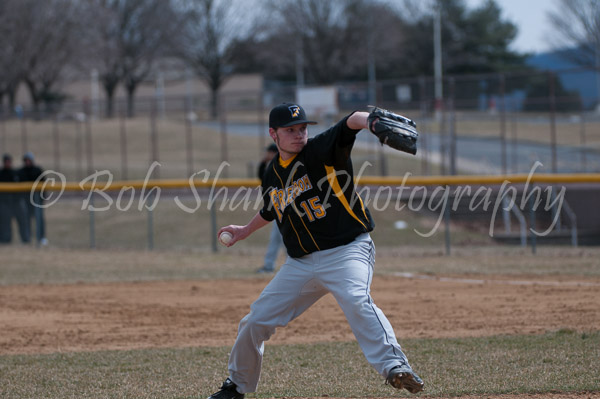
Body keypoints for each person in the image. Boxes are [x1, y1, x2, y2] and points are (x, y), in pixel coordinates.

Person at [210, 103, 424, 399]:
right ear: (274, 134)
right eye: (290, 130)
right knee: (254, 321)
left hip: (347, 251)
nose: (299, 135)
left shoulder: (321, 150)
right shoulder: (272, 172)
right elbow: (272, 209)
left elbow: (351, 121)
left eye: (302, 128)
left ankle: (396, 367)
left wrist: (372, 122)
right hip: (300, 265)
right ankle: (236, 386)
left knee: (356, 299)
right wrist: (244, 230)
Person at [256, 143, 284, 273]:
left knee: (285, 240)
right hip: (277, 211)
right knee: (275, 239)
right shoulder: (272, 168)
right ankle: (269, 265)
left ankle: (295, 264)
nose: (267, 155)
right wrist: (263, 162)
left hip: (287, 211)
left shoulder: (281, 166)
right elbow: (261, 177)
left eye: (269, 152)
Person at [17, 151, 48, 246]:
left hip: (37, 200)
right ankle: (27, 238)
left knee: (39, 219)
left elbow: (44, 184)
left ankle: (41, 237)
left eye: (28, 160)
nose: (27, 162)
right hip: (25, 200)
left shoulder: (37, 170)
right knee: (25, 219)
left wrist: (43, 197)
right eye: (26, 160)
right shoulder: (21, 172)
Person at [0, 154, 18, 243]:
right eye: (6, 161)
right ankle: (3, 239)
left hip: (13, 201)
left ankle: (8, 239)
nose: (7, 163)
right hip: (2, 202)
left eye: (9, 161)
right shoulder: (1, 173)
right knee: (3, 222)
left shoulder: (14, 173)